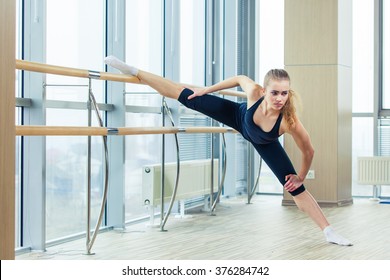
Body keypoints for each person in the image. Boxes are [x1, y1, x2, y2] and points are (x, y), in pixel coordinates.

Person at [104, 55, 352, 246]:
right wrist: (205, 90)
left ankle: (329, 232)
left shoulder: (289, 121)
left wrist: (300, 175)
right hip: (238, 117)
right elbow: (238, 77)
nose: (279, 98)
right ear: (264, 91)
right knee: (184, 94)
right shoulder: (254, 92)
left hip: (265, 142)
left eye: (284, 93)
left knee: (296, 189)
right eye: (274, 92)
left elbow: (309, 151)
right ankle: (134, 70)